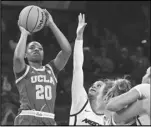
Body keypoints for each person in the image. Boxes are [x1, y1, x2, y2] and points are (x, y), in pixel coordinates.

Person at [13, 9, 71, 125]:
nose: (36, 49)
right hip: (27, 117)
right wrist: (24, 34)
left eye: (40, 48)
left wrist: (51, 24)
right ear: (25, 54)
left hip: (49, 118)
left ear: (44, 54)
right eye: (32, 48)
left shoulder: (51, 69)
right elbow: (18, 58)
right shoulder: (23, 70)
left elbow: (67, 51)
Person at [69, 13, 112, 125]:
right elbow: (78, 67)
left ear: (106, 95)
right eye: (94, 84)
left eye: (98, 86)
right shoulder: (80, 101)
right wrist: (79, 38)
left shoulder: (109, 119)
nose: (93, 86)